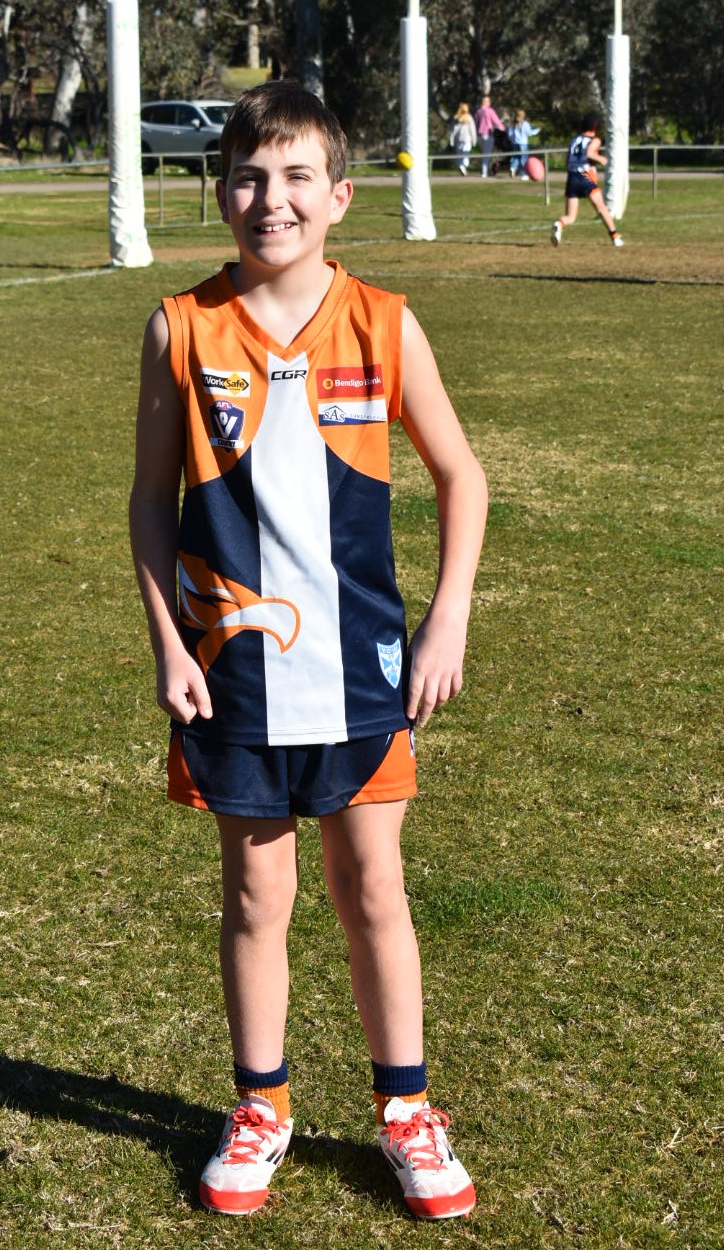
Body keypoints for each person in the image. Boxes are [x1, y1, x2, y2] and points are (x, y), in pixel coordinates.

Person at [129, 81, 488, 1222]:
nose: (269, 199)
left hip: (359, 668)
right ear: (219, 192)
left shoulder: (382, 322)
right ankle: (260, 1105)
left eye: (295, 178)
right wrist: (167, 641)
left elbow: (461, 476)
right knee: (255, 891)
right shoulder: (180, 328)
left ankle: (406, 1108)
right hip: (231, 669)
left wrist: (446, 617)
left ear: (339, 196)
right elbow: (149, 503)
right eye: (247, 177)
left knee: (373, 884)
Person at [551, 113, 624, 247]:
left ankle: (559, 224)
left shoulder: (574, 139)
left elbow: (567, 160)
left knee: (570, 217)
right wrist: (602, 159)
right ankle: (615, 237)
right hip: (585, 176)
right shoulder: (595, 140)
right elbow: (589, 153)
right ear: (595, 127)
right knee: (602, 209)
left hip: (572, 177)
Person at [473, 94, 505, 177]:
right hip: (487, 134)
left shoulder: (478, 111)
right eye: (487, 101)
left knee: (483, 153)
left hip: (479, 135)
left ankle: (483, 170)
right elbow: (496, 121)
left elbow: (475, 123)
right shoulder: (490, 111)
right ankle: (484, 172)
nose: (489, 103)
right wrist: (502, 129)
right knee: (486, 154)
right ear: (485, 102)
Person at [509, 108, 540, 179]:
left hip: (515, 143)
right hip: (523, 143)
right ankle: (523, 174)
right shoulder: (525, 124)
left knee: (515, 158)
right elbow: (529, 133)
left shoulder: (513, 124)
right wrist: (536, 130)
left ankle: (512, 169)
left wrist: (513, 140)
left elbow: (510, 134)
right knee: (524, 159)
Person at [450, 102, 477, 176]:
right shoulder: (458, 118)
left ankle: (462, 167)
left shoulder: (463, 118)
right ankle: (462, 166)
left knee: (461, 154)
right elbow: (472, 130)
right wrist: (474, 139)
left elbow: (453, 131)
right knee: (465, 154)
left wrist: (452, 139)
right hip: (465, 139)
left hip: (461, 139)